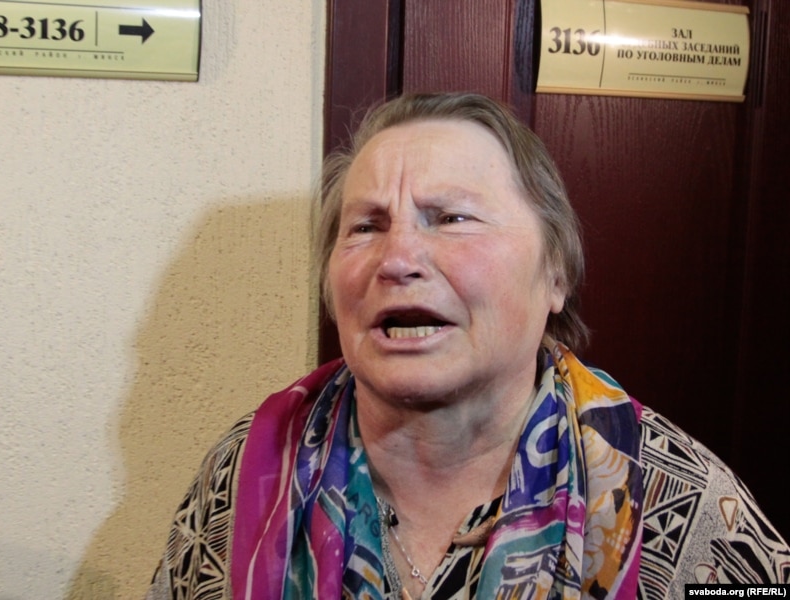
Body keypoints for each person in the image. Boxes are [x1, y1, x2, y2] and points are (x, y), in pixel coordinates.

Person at [145, 92, 790, 600]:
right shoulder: (246, 474)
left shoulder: (685, 505)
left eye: (451, 218)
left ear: (555, 274)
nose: (397, 259)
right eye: (365, 226)